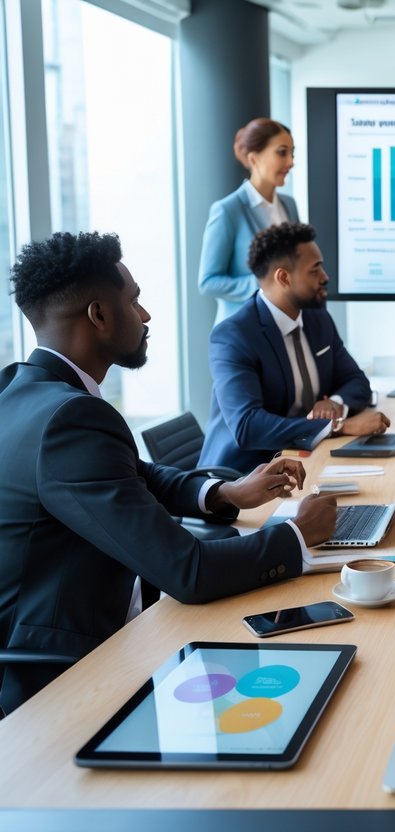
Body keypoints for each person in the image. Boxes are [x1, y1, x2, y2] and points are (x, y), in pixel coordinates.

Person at [0, 231, 336, 716]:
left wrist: (226, 492)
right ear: (98, 314)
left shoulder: (22, 390)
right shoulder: (69, 420)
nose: (146, 315)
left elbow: (137, 474)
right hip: (69, 676)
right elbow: (189, 571)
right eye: (134, 301)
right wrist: (297, 536)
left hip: (104, 629)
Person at [199, 222, 389, 474]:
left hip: (307, 460)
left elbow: (356, 381)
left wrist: (334, 403)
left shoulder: (317, 319)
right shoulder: (233, 336)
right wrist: (337, 425)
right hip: (246, 475)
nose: (325, 276)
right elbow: (248, 426)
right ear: (283, 277)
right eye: (315, 270)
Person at [199, 117, 300, 324]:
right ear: (254, 158)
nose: (290, 162)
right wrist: (264, 283)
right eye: (282, 152)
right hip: (244, 332)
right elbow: (208, 282)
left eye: (292, 153)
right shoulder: (227, 210)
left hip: (284, 327)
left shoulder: (289, 205)